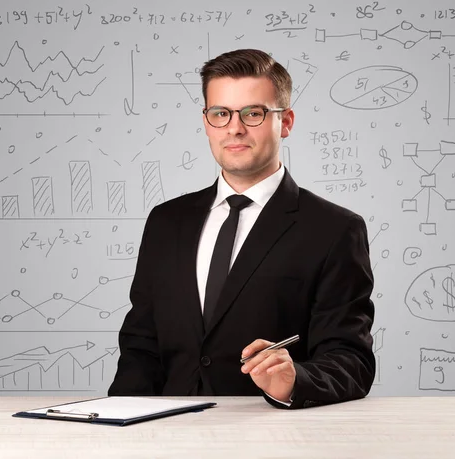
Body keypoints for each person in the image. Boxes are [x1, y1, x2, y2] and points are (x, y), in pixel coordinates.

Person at [108, 49, 375, 409]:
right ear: (206, 122)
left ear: (286, 122)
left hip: (272, 436)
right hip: (166, 435)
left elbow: (351, 361)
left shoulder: (335, 229)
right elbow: (141, 344)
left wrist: (293, 380)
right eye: (220, 113)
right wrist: (117, 425)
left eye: (253, 113)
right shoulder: (166, 221)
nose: (234, 128)